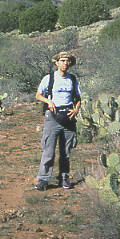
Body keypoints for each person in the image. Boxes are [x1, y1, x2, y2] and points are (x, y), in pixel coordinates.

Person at [35, 51, 81, 191]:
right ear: (56, 63)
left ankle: (64, 177)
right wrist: (49, 101)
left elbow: (78, 98)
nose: (65, 63)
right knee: (49, 150)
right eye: (62, 60)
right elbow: (38, 95)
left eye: (67, 61)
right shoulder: (49, 78)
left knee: (65, 150)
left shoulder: (72, 79)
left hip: (68, 116)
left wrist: (76, 109)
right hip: (52, 116)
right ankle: (43, 179)